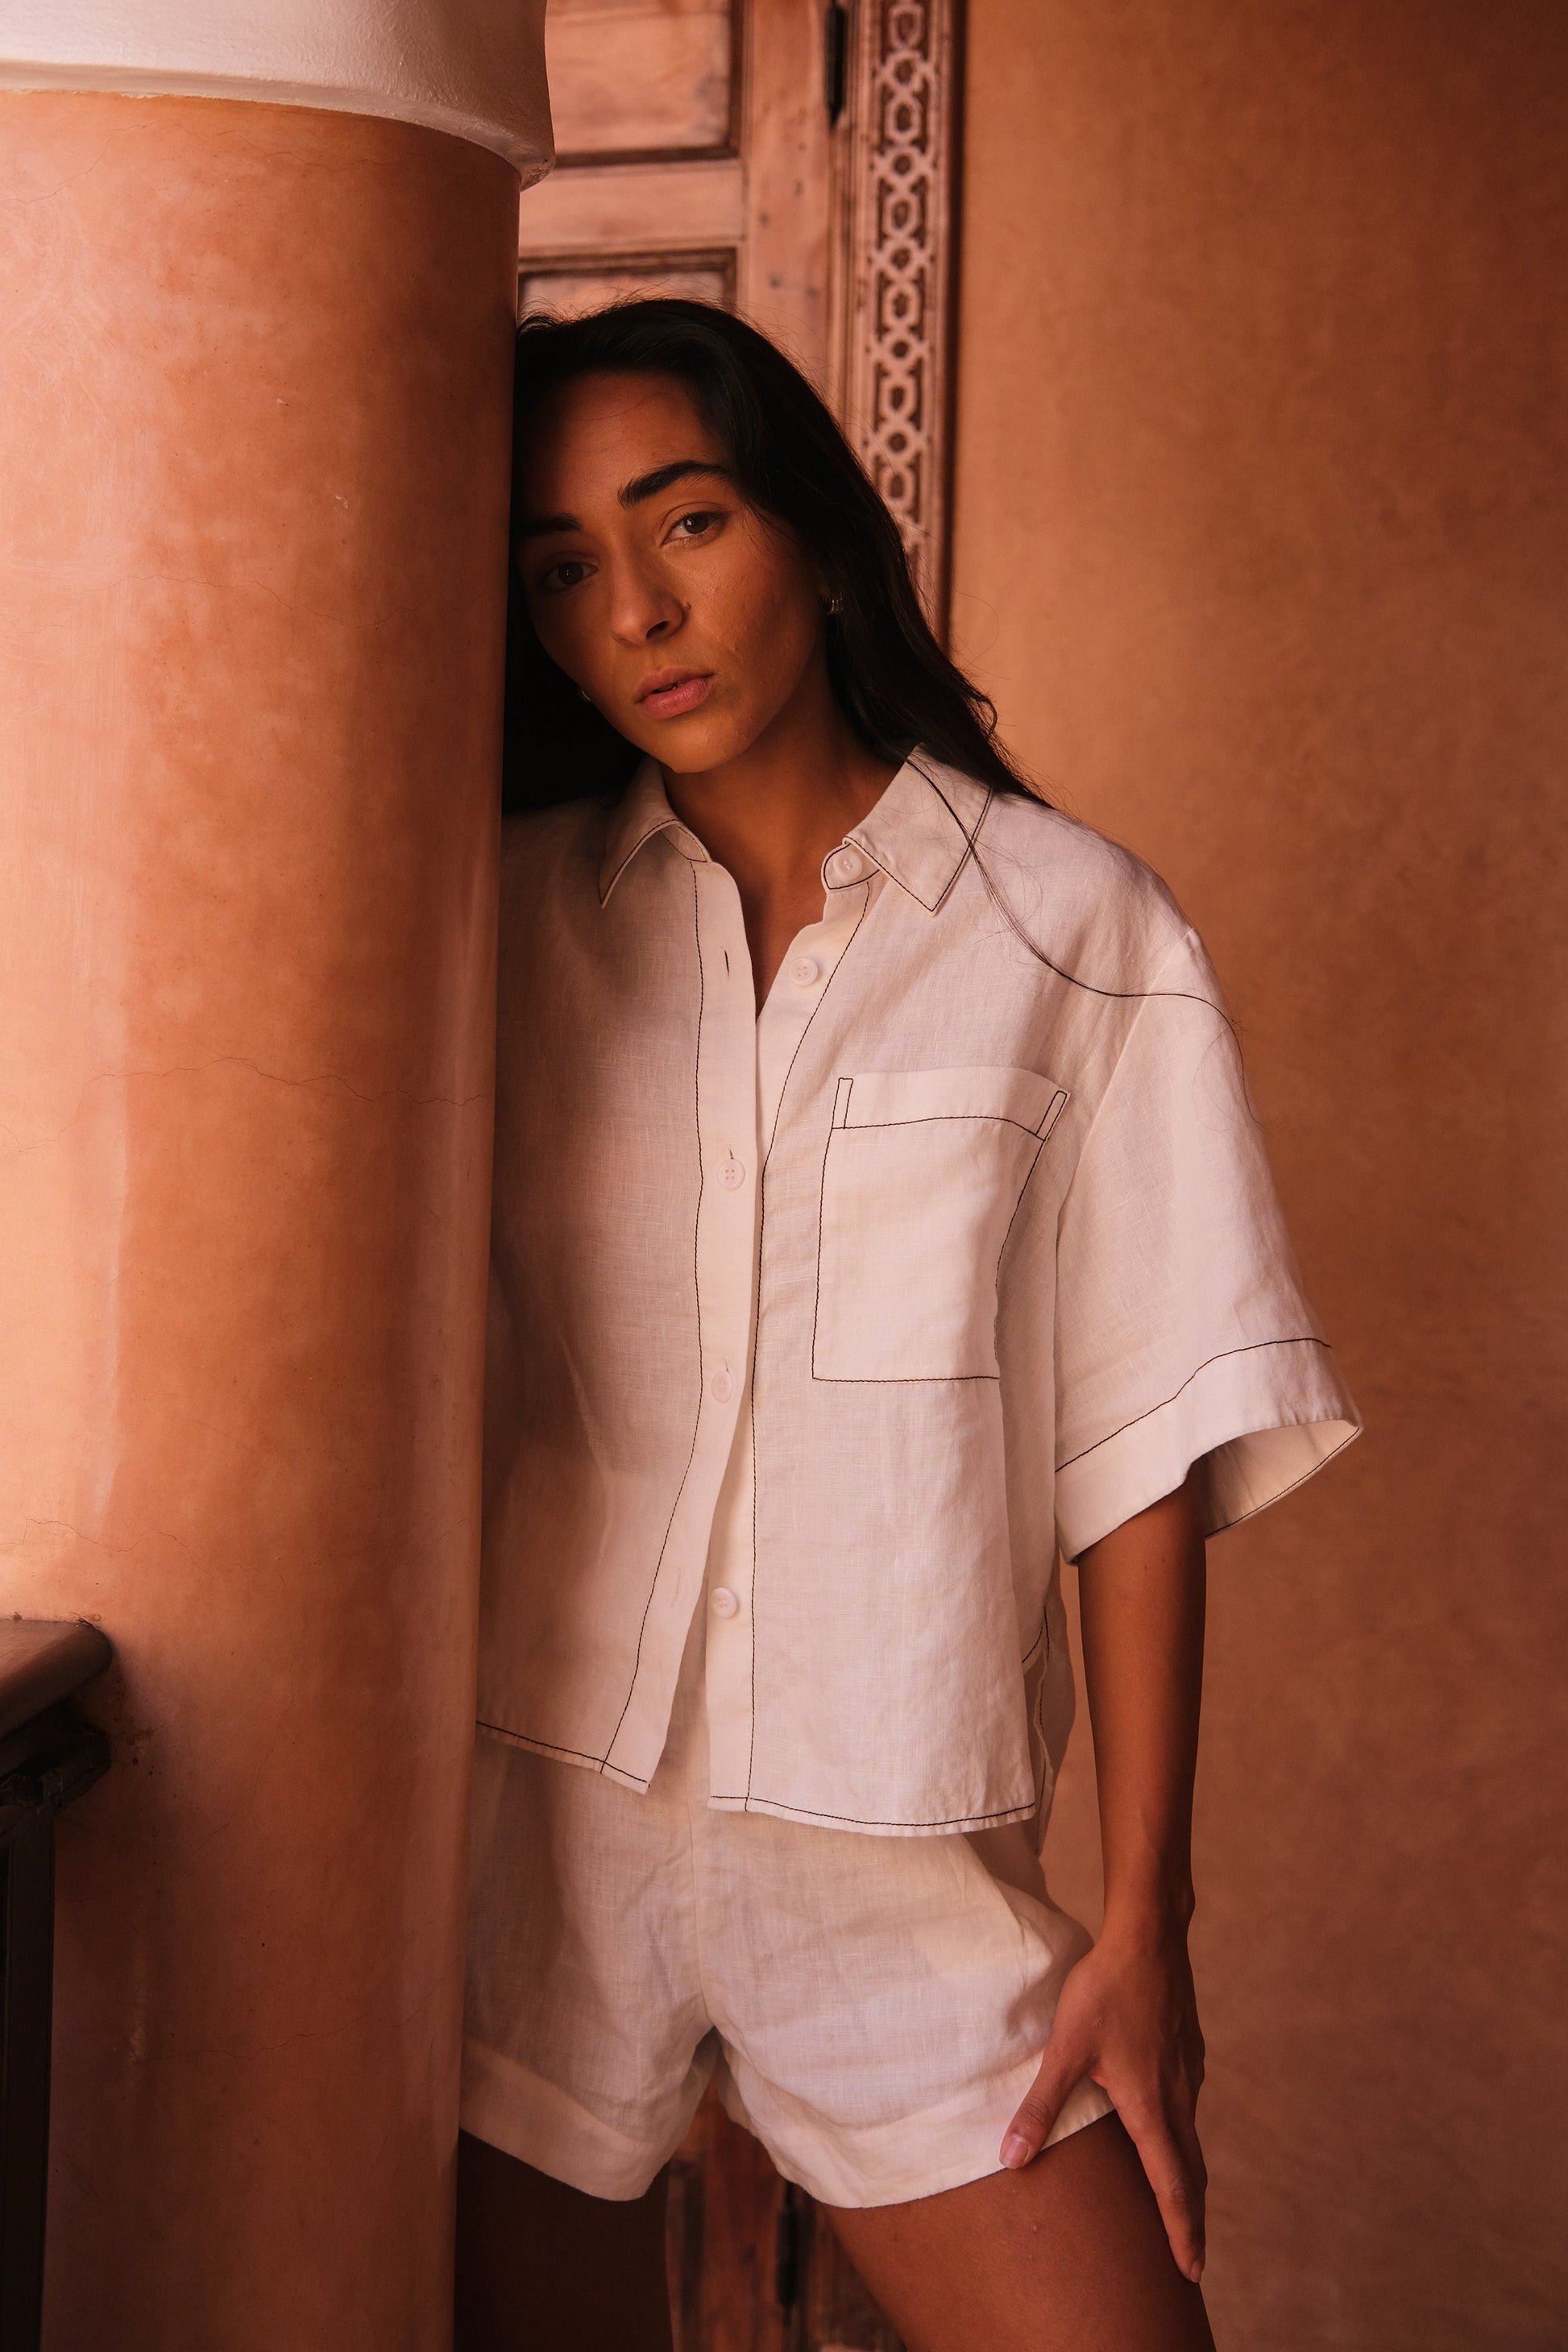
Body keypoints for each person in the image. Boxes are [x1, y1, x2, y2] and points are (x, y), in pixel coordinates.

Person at [455, 299, 1359, 2352]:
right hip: (524, 1824)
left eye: (685, 520)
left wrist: (1145, 1919)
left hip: (897, 1844)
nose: (635, 610)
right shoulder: (490, 925)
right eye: (562, 566)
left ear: (808, 529)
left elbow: (1140, 1438)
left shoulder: (1071, 930)